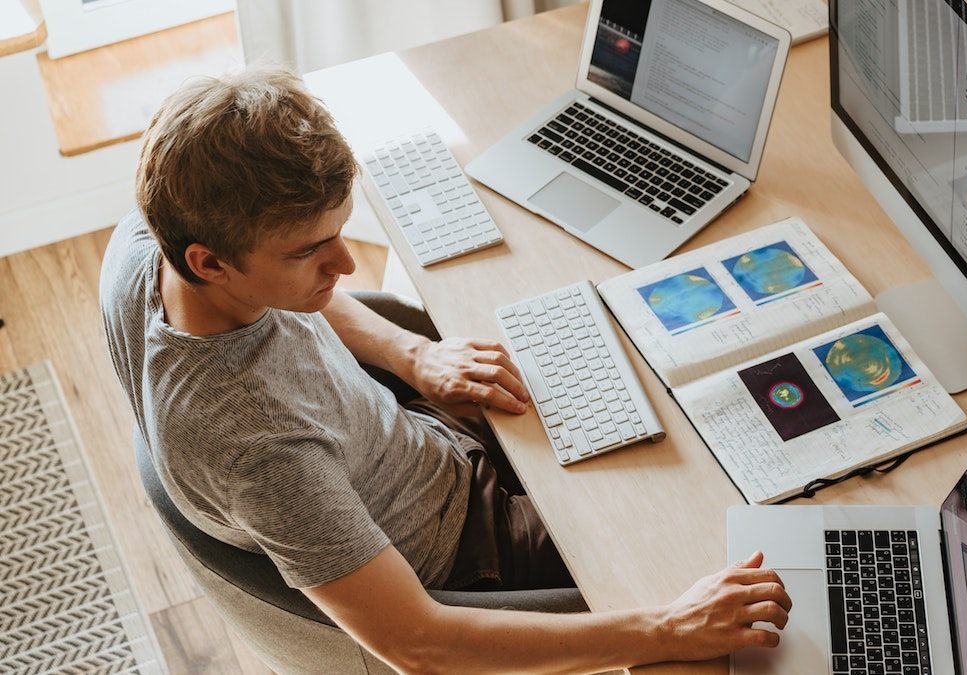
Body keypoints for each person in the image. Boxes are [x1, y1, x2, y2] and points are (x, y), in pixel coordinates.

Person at [100, 65, 790, 673]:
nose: (345, 266)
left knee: (654, 389)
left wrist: (414, 355)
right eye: (310, 252)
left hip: (419, 441)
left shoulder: (150, 240)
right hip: (470, 552)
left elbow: (302, 297)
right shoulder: (259, 450)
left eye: (339, 233)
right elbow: (420, 646)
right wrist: (667, 629)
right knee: (723, 541)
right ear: (210, 262)